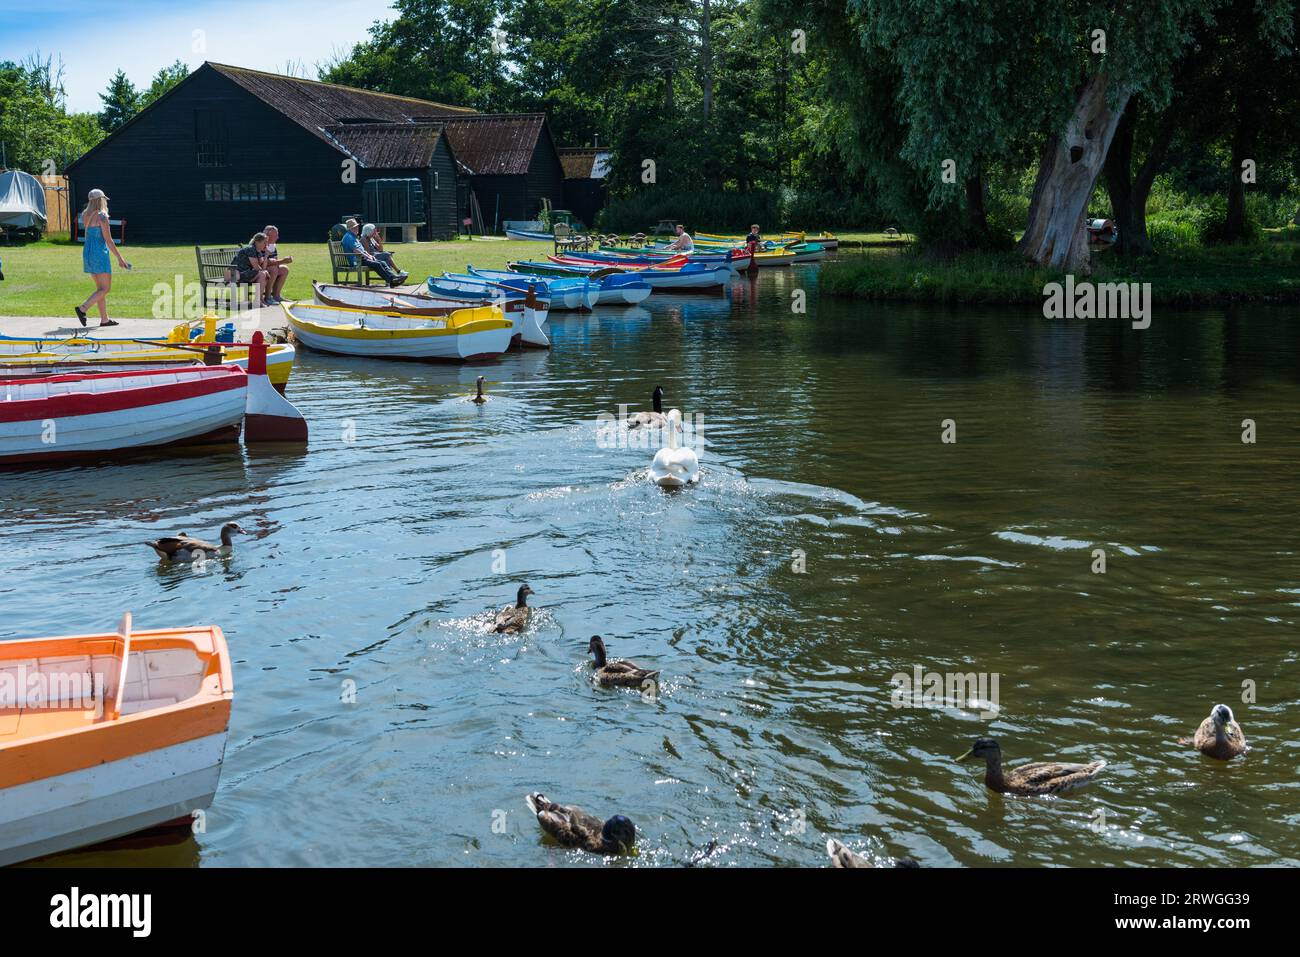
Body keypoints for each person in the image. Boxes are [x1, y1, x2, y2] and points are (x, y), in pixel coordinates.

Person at [74, 188, 130, 327]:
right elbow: (109, 240)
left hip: (88, 251)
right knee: (105, 289)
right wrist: (120, 258)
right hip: (99, 252)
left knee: (100, 288)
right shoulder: (102, 216)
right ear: (101, 200)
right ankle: (83, 309)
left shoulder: (85, 215)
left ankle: (104, 319)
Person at [341, 218, 404, 286]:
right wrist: (368, 256)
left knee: (382, 262)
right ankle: (392, 281)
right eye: (354, 227)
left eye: (357, 227)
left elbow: (363, 250)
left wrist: (369, 256)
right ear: (350, 229)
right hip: (357, 260)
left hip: (362, 258)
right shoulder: (349, 237)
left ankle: (393, 278)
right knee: (377, 264)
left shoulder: (353, 237)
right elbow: (356, 250)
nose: (357, 228)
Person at [231, 232, 274, 306]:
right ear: (257, 242)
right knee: (262, 274)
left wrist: (266, 256)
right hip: (234, 274)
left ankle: (259, 300)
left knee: (263, 274)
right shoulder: (251, 249)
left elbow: (263, 267)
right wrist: (264, 271)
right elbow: (257, 268)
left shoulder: (258, 251)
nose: (266, 245)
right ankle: (258, 301)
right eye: (264, 242)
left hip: (244, 273)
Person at [262, 225, 292, 302]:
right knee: (273, 269)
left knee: (284, 269)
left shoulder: (272, 245)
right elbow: (264, 262)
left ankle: (276, 295)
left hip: (267, 268)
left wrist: (282, 262)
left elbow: (274, 260)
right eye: (275, 235)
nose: (277, 237)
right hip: (258, 268)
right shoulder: (260, 243)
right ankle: (268, 297)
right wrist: (283, 261)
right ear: (267, 236)